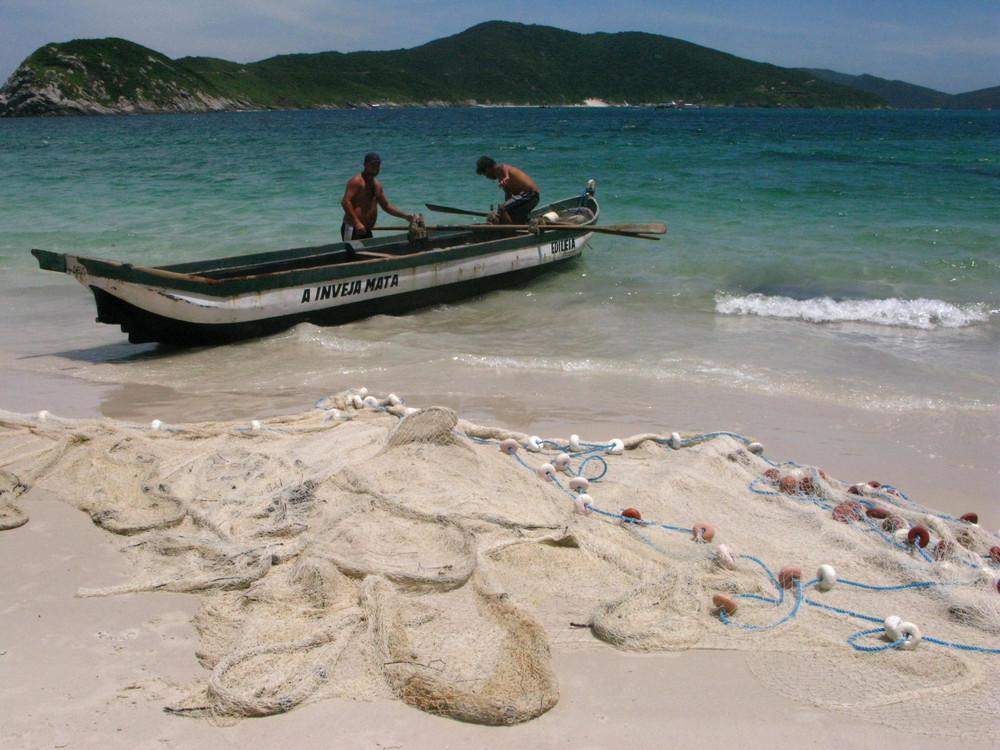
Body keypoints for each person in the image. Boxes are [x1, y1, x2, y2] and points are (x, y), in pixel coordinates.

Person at [340, 152, 415, 242]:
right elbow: (345, 202)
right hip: (352, 228)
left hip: (366, 229)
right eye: (373, 165)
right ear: (365, 165)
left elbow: (386, 206)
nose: (376, 168)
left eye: (378, 165)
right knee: (352, 255)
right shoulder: (357, 181)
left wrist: (405, 216)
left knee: (368, 255)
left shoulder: (377, 185)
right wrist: (357, 222)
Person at [475, 156, 540, 225]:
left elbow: (503, 166)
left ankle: (509, 231)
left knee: (502, 208)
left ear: (487, 169)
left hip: (529, 195)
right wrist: (504, 212)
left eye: (485, 174)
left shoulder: (499, 169)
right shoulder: (501, 179)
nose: (487, 177)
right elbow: (508, 194)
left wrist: (506, 176)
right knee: (508, 213)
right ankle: (519, 225)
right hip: (530, 199)